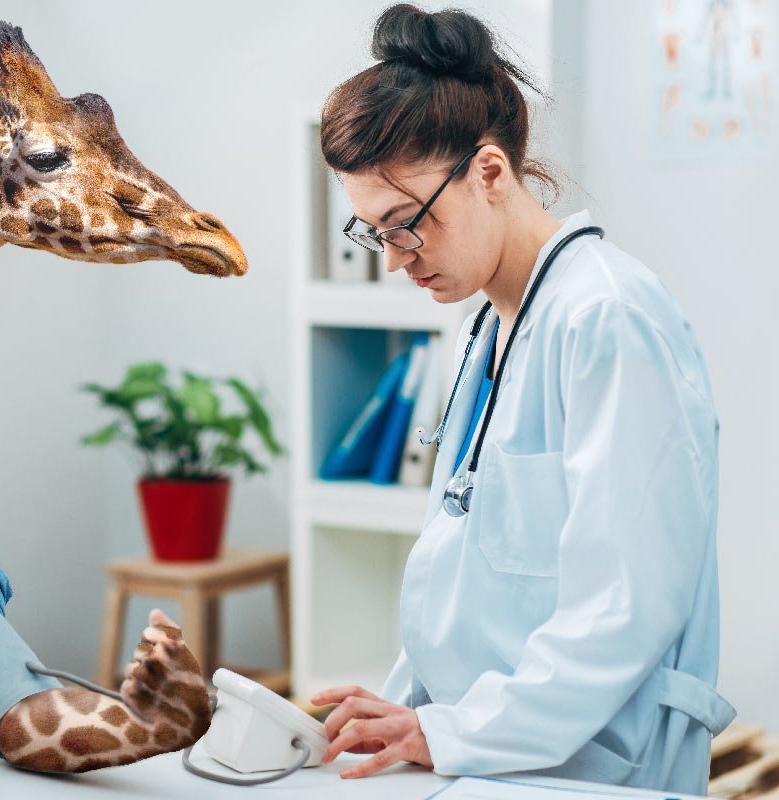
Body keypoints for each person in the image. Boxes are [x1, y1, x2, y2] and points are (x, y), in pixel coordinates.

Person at [310, 5, 734, 795]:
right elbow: (470, 579)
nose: (398, 259)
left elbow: (626, 605)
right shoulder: (490, 330)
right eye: (375, 233)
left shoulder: (607, 315)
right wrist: (403, 709)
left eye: (407, 225)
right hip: (494, 752)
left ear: (491, 172)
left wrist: (452, 730)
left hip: (595, 762)